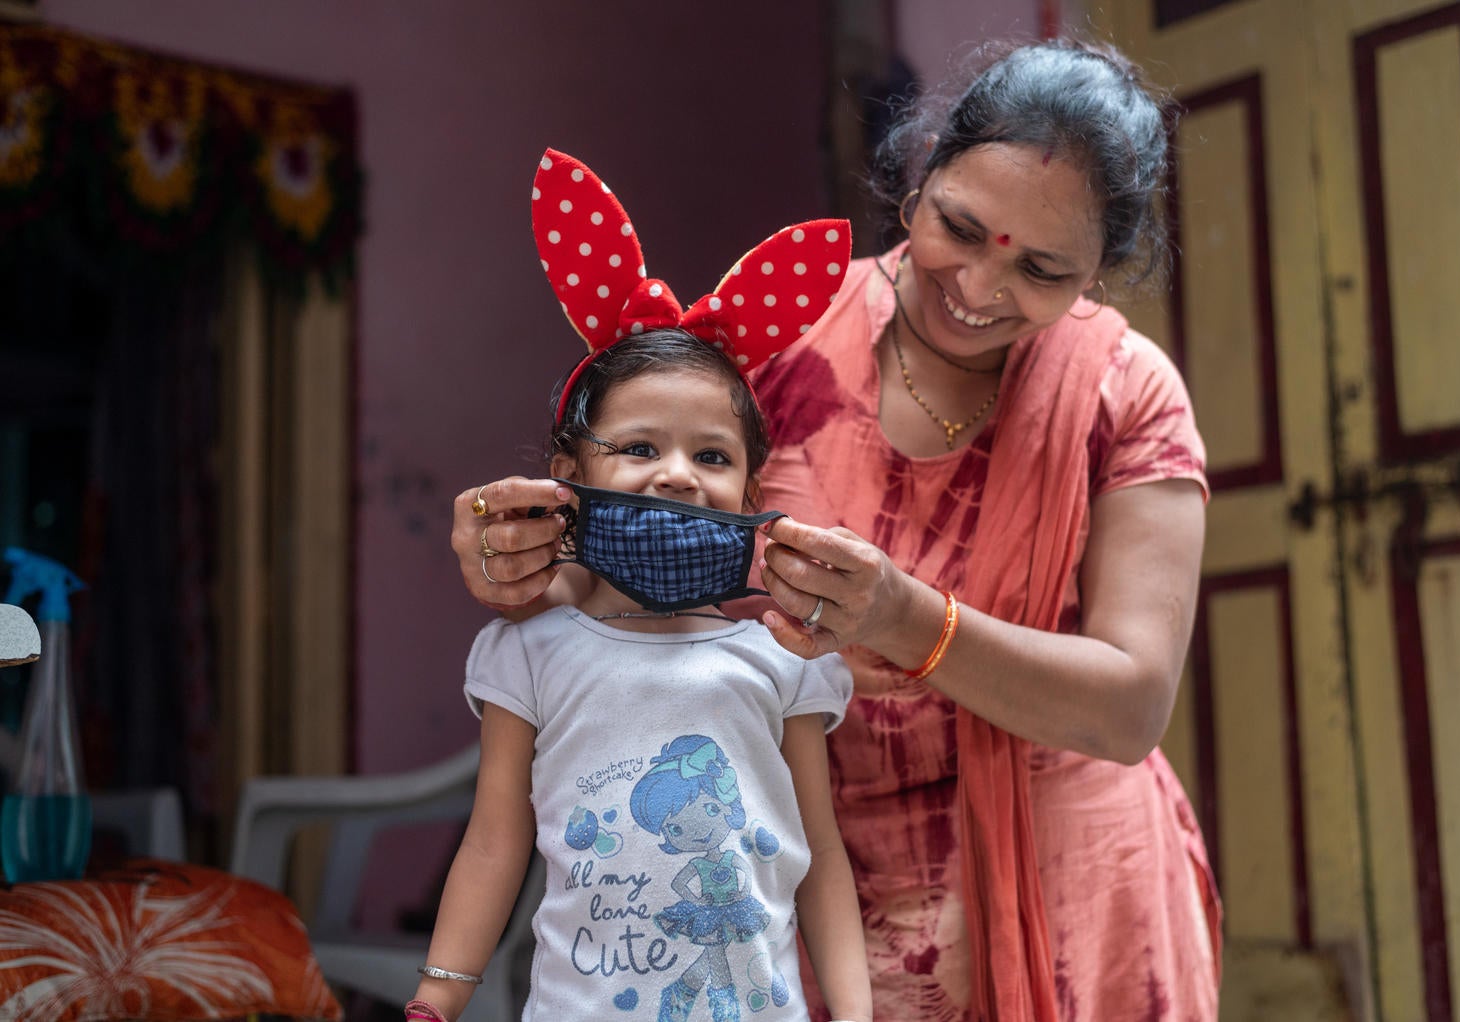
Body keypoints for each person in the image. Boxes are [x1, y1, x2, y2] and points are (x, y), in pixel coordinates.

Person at [453, 38, 1222, 1022]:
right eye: (962, 226)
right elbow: (626, 571)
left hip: (1078, 899)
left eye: (1039, 268)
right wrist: (522, 563)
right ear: (923, 176)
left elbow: (1128, 707)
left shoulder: (1125, 392)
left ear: (1099, 277)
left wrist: (910, 619)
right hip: (821, 889)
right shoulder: (774, 343)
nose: (981, 289)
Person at [409, 152, 872, 1022]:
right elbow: (494, 842)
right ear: (563, 476)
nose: (676, 476)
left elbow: (820, 859)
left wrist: (854, 1015)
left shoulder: (787, 657)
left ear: (754, 496)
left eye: (712, 456)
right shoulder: (527, 652)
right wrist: (439, 997)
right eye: (637, 448)